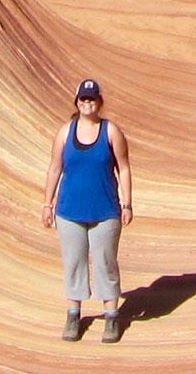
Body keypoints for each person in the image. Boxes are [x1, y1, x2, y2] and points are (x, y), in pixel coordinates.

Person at [41, 78, 133, 342]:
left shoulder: (111, 132)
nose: (87, 103)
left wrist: (127, 203)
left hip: (105, 210)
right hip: (69, 210)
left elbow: (124, 168)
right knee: (74, 261)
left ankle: (111, 317)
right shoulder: (65, 133)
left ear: (99, 102)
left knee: (106, 262)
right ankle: (73, 315)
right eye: (83, 99)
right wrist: (47, 204)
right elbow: (55, 168)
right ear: (77, 102)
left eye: (92, 99)